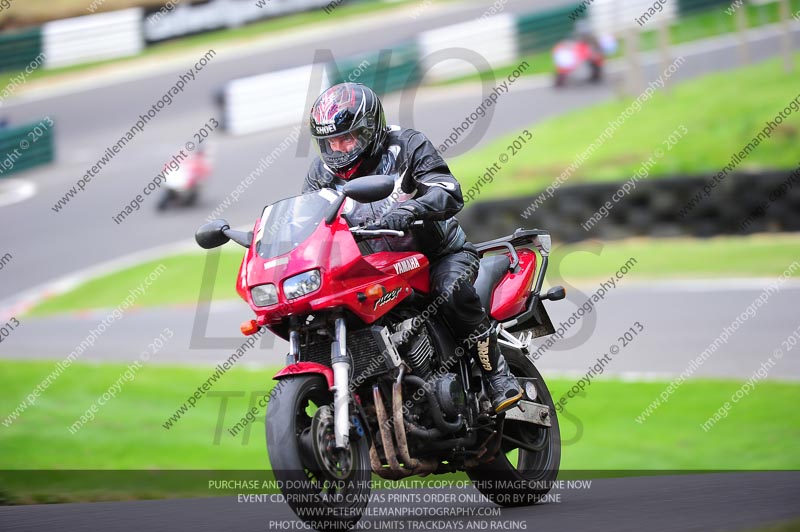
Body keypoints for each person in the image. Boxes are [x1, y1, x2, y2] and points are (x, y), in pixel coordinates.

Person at [302, 82, 522, 414]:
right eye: (331, 142)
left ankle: (497, 376)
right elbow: (307, 221)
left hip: (436, 255)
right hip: (372, 268)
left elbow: (447, 189)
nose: (340, 150)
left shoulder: (407, 145)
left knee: (450, 291)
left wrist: (411, 209)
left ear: (370, 129)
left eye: (347, 138)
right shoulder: (321, 174)